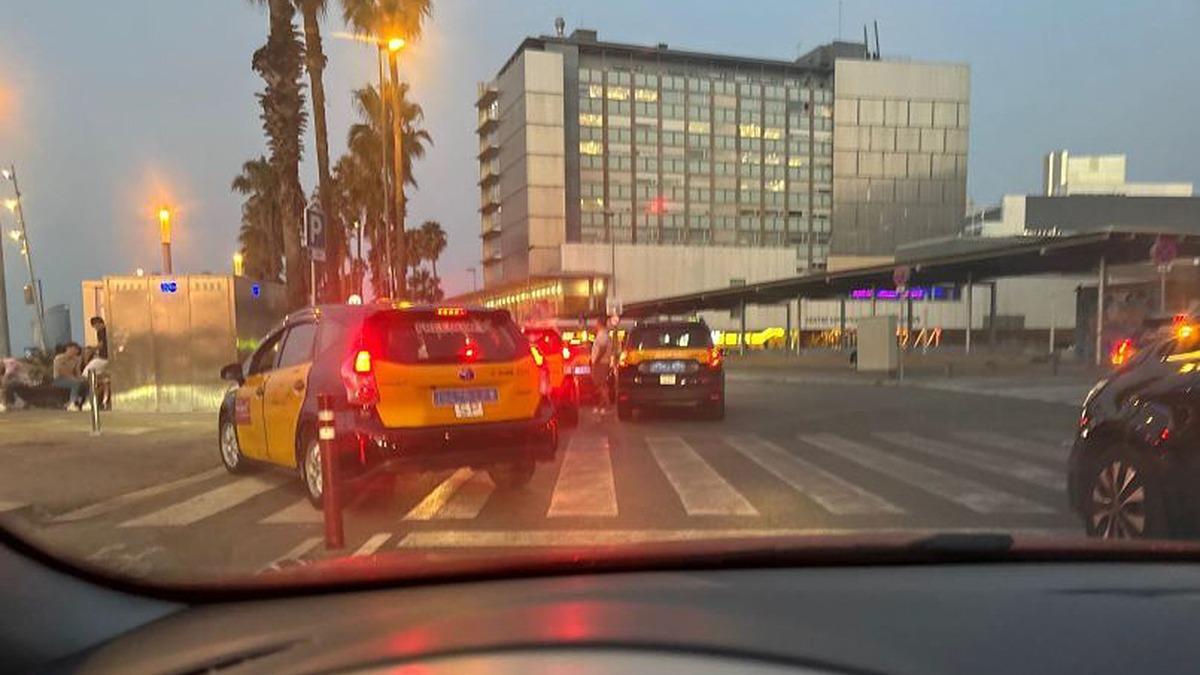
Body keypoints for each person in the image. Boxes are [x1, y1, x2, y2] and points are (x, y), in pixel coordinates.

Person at [51, 342, 88, 410]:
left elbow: (77, 372)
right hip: (59, 379)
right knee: (76, 383)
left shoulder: (76, 359)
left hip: (71, 378)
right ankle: (72, 403)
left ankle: (86, 403)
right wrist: (74, 378)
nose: (75, 352)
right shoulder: (59, 358)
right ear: (68, 348)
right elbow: (61, 372)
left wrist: (82, 378)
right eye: (74, 349)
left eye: (76, 350)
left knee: (86, 382)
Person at [589, 316, 614, 415]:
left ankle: (607, 405)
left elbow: (603, 348)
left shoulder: (602, 335)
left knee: (600, 384)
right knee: (602, 385)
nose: (595, 325)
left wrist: (596, 361)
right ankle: (601, 406)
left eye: (596, 323)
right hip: (603, 362)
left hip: (601, 363)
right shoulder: (603, 334)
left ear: (599, 323)